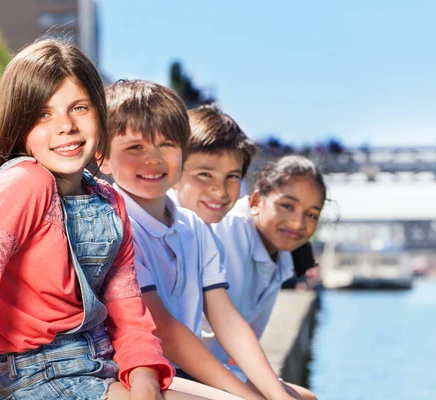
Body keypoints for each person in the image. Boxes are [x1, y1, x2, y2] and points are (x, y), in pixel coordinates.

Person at [0, 39, 226, 400]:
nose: (66, 126)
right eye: (44, 114)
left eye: (79, 108)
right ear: (19, 125)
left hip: (104, 367)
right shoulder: (25, 183)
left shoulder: (110, 202)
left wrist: (145, 382)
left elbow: (130, 316)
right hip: (41, 381)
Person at [101, 80, 297, 400]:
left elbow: (227, 319)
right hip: (134, 371)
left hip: (180, 369)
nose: (153, 160)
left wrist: (278, 394)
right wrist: (245, 395)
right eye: (136, 147)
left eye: (166, 145)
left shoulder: (193, 226)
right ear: (104, 158)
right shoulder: (115, 224)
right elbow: (163, 330)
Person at [173, 104, 325, 400]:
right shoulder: (222, 229)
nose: (297, 222)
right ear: (255, 200)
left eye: (311, 214)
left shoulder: (280, 255)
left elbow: (236, 331)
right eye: (287, 206)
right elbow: (182, 334)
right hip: (174, 368)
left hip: (206, 367)